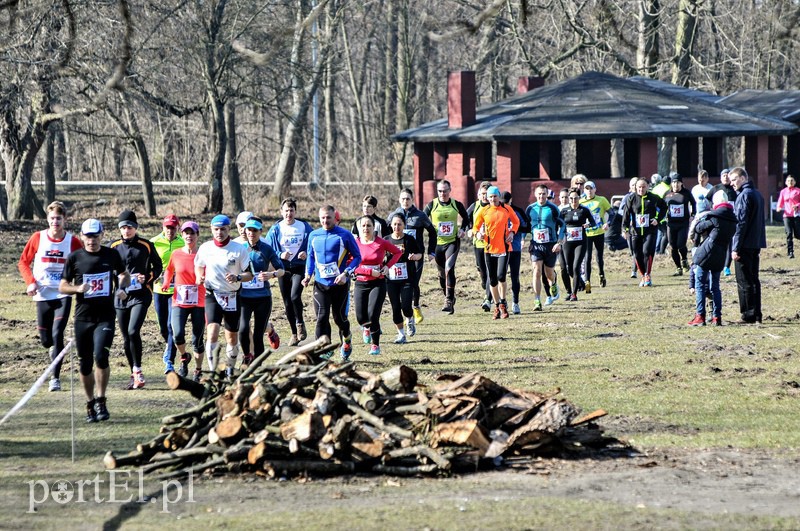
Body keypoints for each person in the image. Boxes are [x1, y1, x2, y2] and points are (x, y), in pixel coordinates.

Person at [59, 219, 130, 422]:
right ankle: (89, 403)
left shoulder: (111, 254)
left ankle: (101, 399)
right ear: (82, 236)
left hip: (105, 317)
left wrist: (122, 288)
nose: (92, 240)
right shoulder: (74, 258)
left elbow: (124, 275)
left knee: (101, 356)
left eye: (95, 236)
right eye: (88, 236)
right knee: (85, 363)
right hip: (83, 318)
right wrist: (77, 289)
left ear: (102, 235)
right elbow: (62, 286)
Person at [18, 201, 83, 392]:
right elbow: (23, 262)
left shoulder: (72, 241)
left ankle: (55, 378)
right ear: (47, 219)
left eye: (59, 218)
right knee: (46, 340)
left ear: (65, 220)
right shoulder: (38, 238)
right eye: (52, 218)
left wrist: (78, 286)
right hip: (42, 293)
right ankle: (52, 351)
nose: (55, 222)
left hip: (63, 292)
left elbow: (83, 261)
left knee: (57, 335)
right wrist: (30, 281)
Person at [195, 215, 254, 378]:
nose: (219, 232)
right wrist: (199, 276)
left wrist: (238, 278)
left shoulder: (239, 249)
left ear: (229, 229)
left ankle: (229, 368)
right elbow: (199, 265)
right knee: (212, 331)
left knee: (231, 337)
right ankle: (213, 371)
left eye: (223, 229)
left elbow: (250, 274)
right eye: (216, 229)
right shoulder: (205, 248)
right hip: (212, 294)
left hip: (232, 296)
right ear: (211, 230)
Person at [111, 209, 162, 390]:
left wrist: (147, 277)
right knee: (126, 337)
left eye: (130, 227)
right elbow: (108, 270)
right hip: (121, 297)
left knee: (133, 331)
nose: (127, 230)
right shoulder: (114, 246)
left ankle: (138, 370)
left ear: (136, 228)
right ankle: (133, 373)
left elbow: (158, 266)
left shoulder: (146, 245)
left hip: (141, 295)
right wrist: (115, 288)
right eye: (123, 227)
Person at [303, 205, 362, 361]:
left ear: (335, 217)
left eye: (328, 217)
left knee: (339, 319)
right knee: (321, 317)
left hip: (339, 284)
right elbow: (310, 257)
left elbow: (357, 257)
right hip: (320, 284)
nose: (325, 220)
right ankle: (322, 351)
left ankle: (347, 339)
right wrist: (308, 275)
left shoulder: (344, 235)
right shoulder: (314, 235)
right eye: (322, 217)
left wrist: (345, 274)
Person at [266, 198, 313, 346]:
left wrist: (306, 252)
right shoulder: (276, 229)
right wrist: (280, 255)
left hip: (299, 267)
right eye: (286, 210)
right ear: (281, 212)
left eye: (291, 210)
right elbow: (267, 248)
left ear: (295, 211)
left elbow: (313, 243)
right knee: (286, 302)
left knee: (294, 296)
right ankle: (294, 333)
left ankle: (300, 323)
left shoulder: (304, 226)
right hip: (283, 269)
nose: (289, 213)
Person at [353, 216, 402, 356]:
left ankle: (375, 345)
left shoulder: (381, 242)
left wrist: (388, 267)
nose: (366, 228)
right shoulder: (355, 243)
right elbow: (350, 264)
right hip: (361, 283)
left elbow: (397, 252)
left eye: (368, 225)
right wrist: (369, 271)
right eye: (363, 226)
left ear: (374, 227)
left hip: (378, 283)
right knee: (361, 317)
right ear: (359, 228)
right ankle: (366, 328)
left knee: (373, 315)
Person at [163, 221, 205, 380]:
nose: (189, 236)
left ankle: (198, 370)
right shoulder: (176, 254)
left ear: (197, 235)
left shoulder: (203, 255)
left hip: (199, 302)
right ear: (182, 235)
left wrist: (203, 278)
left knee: (197, 339)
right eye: (186, 233)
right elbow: (169, 270)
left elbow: (211, 273)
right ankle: (184, 356)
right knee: (177, 334)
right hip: (179, 301)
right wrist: (167, 282)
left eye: (192, 233)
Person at [239, 217, 284, 364]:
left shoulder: (266, 249)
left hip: (262, 297)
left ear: (260, 232)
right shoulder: (240, 249)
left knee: (258, 334)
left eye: (255, 230)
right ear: (245, 231)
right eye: (249, 230)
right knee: (243, 329)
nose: (251, 233)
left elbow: (281, 269)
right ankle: (247, 356)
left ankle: (258, 366)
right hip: (244, 297)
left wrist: (271, 275)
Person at [688, 192, 736, 326]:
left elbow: (698, 228)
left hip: (707, 254)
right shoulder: (732, 220)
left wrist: (700, 219)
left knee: (700, 284)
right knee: (715, 286)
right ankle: (717, 317)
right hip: (721, 255)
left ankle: (700, 316)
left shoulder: (714, 217)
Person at [423, 179, 470, 314]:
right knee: (441, 274)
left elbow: (466, 219)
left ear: (450, 190)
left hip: (452, 242)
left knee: (449, 268)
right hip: (437, 244)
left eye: (445, 190)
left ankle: (448, 300)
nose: (442, 193)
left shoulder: (456, 204)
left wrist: (463, 230)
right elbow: (422, 219)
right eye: (440, 191)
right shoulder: (432, 205)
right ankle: (449, 296)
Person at [472, 186, 520, 318]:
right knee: (492, 279)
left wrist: (512, 232)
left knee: (501, 276)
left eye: (495, 196)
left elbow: (516, 222)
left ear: (499, 196)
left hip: (504, 247)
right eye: (490, 197)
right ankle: (497, 306)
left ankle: (503, 303)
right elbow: (475, 227)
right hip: (488, 248)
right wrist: (478, 234)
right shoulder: (484, 210)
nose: (493, 199)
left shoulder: (506, 208)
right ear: (487, 198)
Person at [391, 188, 436, 325]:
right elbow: (387, 234)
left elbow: (432, 232)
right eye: (403, 199)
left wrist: (431, 251)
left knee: (414, 282)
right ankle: (406, 311)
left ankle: (415, 307)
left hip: (416, 255)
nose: (405, 201)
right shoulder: (394, 216)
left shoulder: (420, 215)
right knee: (401, 285)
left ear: (412, 200)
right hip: (399, 257)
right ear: (399, 200)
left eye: (408, 199)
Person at [730, 167, 766, 324]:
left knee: (744, 280)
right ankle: (757, 313)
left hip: (744, 245)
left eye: (734, 179)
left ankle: (748, 314)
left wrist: (735, 247)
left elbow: (741, 223)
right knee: (754, 279)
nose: (732, 183)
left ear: (743, 178)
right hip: (755, 243)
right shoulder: (757, 194)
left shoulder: (744, 195)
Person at [152, 214, 184, 373]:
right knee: (163, 327)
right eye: (167, 227)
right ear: (163, 227)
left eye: (173, 227)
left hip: (177, 290)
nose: (170, 230)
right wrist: (153, 274)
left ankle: (169, 361)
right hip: (159, 289)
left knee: (172, 326)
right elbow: (147, 264)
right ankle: (169, 345)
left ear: (178, 228)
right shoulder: (154, 242)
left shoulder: (183, 242)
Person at [385, 213, 424, 343]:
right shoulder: (386, 240)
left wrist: (414, 256)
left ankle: (410, 318)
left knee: (406, 306)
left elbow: (420, 254)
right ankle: (401, 335)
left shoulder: (409, 239)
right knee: (395, 307)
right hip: (391, 279)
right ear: (391, 225)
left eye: (399, 224)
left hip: (407, 278)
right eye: (394, 224)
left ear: (403, 225)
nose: (397, 227)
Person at [621, 178, 667, 287]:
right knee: (637, 254)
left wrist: (658, 219)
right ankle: (643, 275)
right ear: (636, 187)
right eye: (639, 187)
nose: (641, 189)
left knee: (647, 251)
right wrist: (625, 229)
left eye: (643, 187)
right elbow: (626, 215)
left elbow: (664, 207)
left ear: (647, 187)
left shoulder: (653, 197)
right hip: (635, 231)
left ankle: (647, 274)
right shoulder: (631, 198)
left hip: (650, 230)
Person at [525, 184, 564, 311]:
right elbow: (525, 225)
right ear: (535, 195)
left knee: (549, 274)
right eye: (539, 194)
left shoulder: (553, 209)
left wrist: (559, 241)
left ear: (547, 195)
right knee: (536, 271)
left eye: (544, 194)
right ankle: (537, 300)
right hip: (536, 245)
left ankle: (553, 283)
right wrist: (521, 238)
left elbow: (562, 225)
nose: (541, 196)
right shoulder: (530, 209)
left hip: (550, 245)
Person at [560, 189, 598, 301]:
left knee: (576, 267)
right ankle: (577, 286)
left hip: (580, 242)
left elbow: (593, 222)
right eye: (570, 198)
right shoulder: (564, 211)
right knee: (569, 269)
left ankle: (574, 294)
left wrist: (588, 225)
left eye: (575, 198)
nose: (573, 200)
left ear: (579, 198)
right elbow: (560, 225)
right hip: (567, 242)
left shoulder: (584, 210)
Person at [580, 181, 612, 292]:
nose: (589, 191)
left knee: (599, 257)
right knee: (587, 258)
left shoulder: (601, 200)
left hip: (599, 232)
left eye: (591, 189)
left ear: (595, 190)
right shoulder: (580, 202)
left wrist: (608, 223)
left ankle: (601, 274)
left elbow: (612, 213)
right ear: (584, 190)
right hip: (587, 233)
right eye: (586, 189)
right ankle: (587, 281)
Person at [502, 191, 530, 314]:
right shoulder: (497, 210)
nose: (504, 205)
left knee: (514, 277)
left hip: (515, 248)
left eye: (506, 202)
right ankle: (502, 302)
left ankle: (515, 302)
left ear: (510, 200)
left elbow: (527, 227)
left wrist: (514, 230)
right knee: (500, 277)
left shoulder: (518, 211)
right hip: (500, 249)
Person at [466, 181, 493, 312]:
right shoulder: (474, 206)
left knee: (489, 272)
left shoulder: (495, 207)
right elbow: (465, 221)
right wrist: (469, 230)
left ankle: (488, 299)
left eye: (487, 194)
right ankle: (485, 284)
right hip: (478, 244)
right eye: (482, 194)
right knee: (482, 270)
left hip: (493, 245)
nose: (485, 197)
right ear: (478, 195)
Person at [664, 175, 696, 276]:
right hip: (671, 224)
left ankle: (684, 260)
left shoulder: (686, 193)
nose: (675, 184)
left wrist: (693, 215)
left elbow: (693, 203)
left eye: (678, 182)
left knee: (681, 244)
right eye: (673, 182)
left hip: (683, 223)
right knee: (673, 246)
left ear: (681, 183)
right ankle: (678, 268)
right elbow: (661, 205)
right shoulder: (667, 194)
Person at [707, 169, 737, 275]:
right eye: (723, 175)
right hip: (718, 220)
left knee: (730, 244)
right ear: (720, 177)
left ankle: (727, 267)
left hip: (731, 220)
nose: (726, 177)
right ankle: (714, 263)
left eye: (727, 175)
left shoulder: (734, 189)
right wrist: (712, 208)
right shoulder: (716, 188)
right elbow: (708, 198)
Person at [776, 175, 800, 259]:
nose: (790, 182)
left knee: (797, 234)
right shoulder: (783, 191)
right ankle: (790, 252)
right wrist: (778, 207)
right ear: (786, 182)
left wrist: (797, 205)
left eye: (792, 180)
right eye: (788, 181)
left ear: (795, 182)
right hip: (787, 215)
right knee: (789, 234)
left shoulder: (798, 191)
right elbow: (780, 201)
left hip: (796, 215)